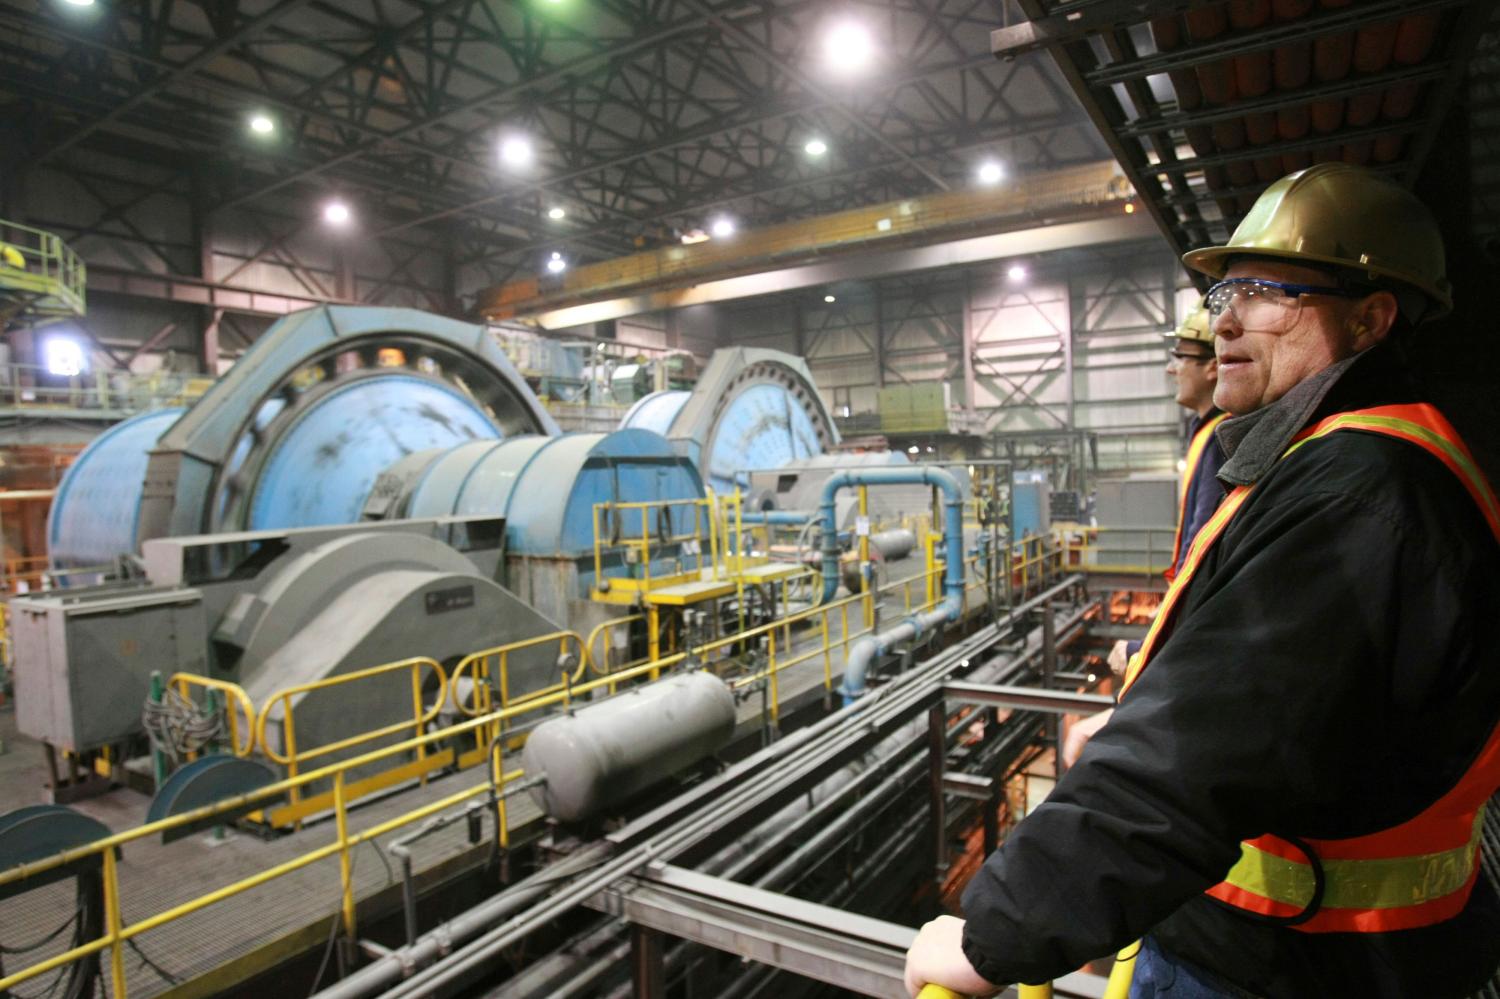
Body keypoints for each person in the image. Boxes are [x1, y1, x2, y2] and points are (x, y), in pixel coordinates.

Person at [904, 162, 1500, 999]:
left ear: (1370, 319)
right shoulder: (1335, 460)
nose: (1225, 322)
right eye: (1224, 296)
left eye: (1264, 294)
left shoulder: (1363, 496)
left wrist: (996, 931)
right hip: (1316, 949)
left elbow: (1196, 748)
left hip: (1288, 963)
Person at [1067, 303, 1230, 765]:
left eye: (1181, 357)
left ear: (1213, 368)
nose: (1169, 367)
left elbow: (1204, 567)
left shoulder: (1221, 441)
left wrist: (1148, 649)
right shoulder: (1209, 437)